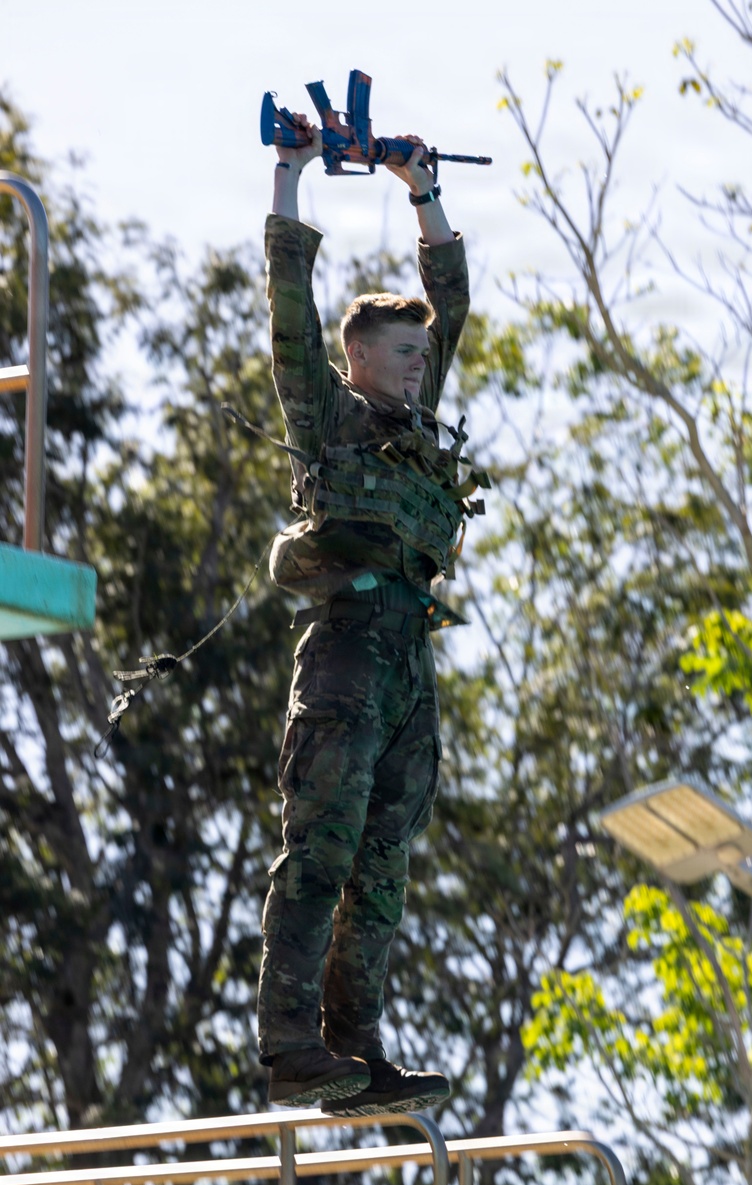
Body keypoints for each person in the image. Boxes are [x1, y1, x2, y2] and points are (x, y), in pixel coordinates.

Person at [257, 115, 482, 1115]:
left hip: (407, 661)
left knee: (382, 863)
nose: (416, 367)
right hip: (346, 653)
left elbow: (453, 301)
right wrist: (293, 174)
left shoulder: (421, 432)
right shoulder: (330, 418)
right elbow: (289, 310)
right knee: (324, 843)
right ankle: (290, 1040)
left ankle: (358, 1047)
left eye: (420, 357)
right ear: (357, 359)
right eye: (399, 353)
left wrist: (420, 188)